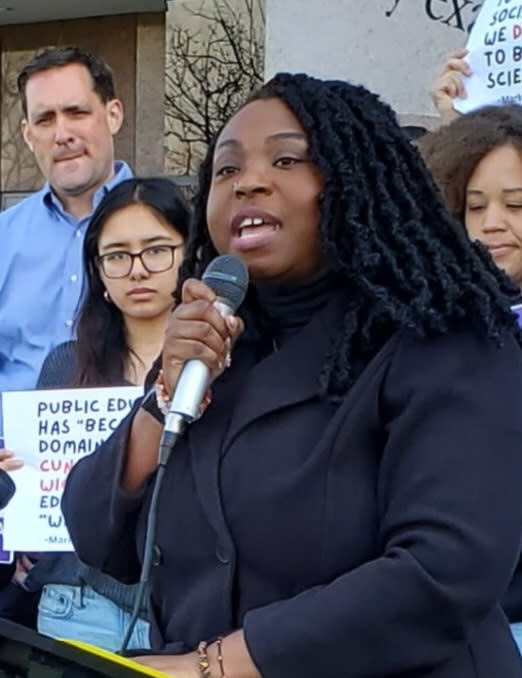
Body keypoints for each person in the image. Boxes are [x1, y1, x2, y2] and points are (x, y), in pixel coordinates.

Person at [63, 73, 522, 677]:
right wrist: (163, 399)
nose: (248, 181)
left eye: (286, 159)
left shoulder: (445, 337)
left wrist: (214, 666)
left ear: (360, 182)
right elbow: (96, 534)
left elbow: (442, 571)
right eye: (225, 171)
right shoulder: (212, 344)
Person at [1, 177, 190, 652]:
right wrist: (16, 487)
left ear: (189, 255)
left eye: (157, 249)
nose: (138, 270)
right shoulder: (66, 363)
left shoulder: (219, 368)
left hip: (185, 614)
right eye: (117, 255)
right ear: (99, 272)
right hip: (72, 607)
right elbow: (45, 493)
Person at [419, 104, 522, 650]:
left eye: (517, 204)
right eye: (474, 206)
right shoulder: (423, 331)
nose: (492, 224)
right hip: (453, 626)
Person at [0, 45, 132, 436]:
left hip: (135, 467)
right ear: (27, 134)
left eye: (77, 113)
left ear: (113, 115)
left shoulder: (170, 229)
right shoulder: (3, 238)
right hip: (15, 476)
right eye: (45, 119)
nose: (63, 135)